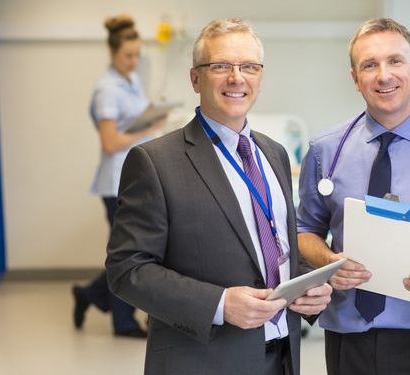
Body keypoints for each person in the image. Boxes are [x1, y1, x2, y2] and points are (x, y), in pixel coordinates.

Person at [105, 18, 332, 374]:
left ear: (260, 76)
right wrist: (220, 303)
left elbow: (272, 244)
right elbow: (127, 269)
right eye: (221, 66)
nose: (236, 78)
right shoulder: (155, 162)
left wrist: (311, 287)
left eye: (248, 67)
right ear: (195, 78)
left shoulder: (275, 154)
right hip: (203, 361)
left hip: (281, 357)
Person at [297, 18, 410, 375]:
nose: (384, 75)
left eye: (395, 61)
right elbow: (304, 230)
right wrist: (328, 261)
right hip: (347, 341)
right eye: (369, 65)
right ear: (355, 78)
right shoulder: (324, 151)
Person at [72, 14, 165, 338]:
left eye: (137, 54)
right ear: (112, 53)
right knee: (130, 252)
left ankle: (90, 294)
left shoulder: (131, 80)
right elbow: (111, 142)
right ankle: (123, 322)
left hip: (136, 179)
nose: (134, 60)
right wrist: (151, 127)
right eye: (128, 55)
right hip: (116, 183)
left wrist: (153, 114)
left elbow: (134, 121)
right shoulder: (106, 90)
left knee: (134, 248)